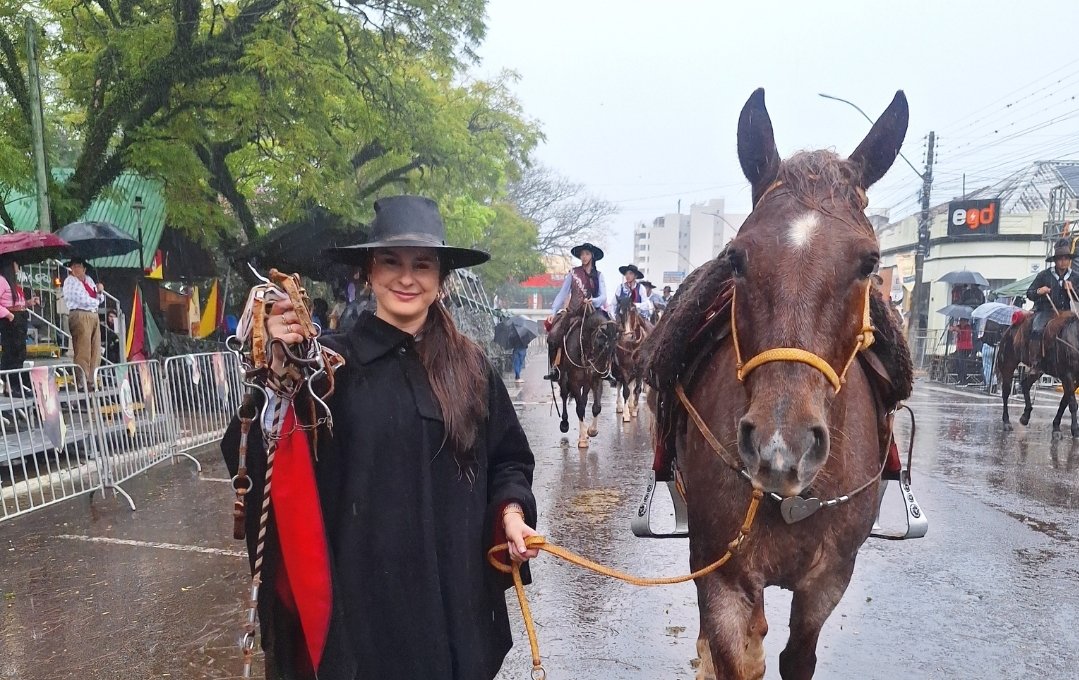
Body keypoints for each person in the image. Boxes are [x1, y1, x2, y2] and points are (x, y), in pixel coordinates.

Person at [221, 195, 538, 680]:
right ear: (369, 271)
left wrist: (511, 514)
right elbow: (264, 464)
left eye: (422, 264)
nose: (406, 277)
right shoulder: (326, 368)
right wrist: (278, 377)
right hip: (365, 618)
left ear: (441, 279)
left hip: (455, 602)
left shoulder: (472, 368)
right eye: (391, 261)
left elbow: (509, 461)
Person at [543, 242, 606, 381]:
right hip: (573, 313)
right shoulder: (573, 273)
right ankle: (555, 368)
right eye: (582, 254)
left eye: (587, 254)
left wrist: (593, 301)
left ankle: (607, 368)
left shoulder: (599, 275)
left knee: (609, 332)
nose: (584, 257)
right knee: (553, 335)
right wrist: (553, 312)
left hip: (592, 314)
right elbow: (562, 293)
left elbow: (603, 297)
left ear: (592, 256)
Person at [1026, 240, 1074, 369]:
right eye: (1060, 259)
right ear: (1055, 260)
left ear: (1069, 260)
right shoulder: (1044, 275)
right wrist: (1039, 291)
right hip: (1045, 311)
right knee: (1037, 328)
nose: (1063, 261)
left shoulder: (1075, 276)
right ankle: (1035, 362)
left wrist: (1071, 289)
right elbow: (1029, 293)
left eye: (1066, 258)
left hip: (1066, 313)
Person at [62, 257, 105, 389]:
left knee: (95, 349)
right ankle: (83, 380)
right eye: (73, 267)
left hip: (93, 314)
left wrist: (100, 291)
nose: (75, 269)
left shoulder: (89, 280)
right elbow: (82, 299)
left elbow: (100, 297)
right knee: (83, 349)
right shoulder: (70, 281)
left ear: (84, 268)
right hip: (80, 314)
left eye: (78, 266)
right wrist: (96, 300)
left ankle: (92, 378)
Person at [0, 259, 40, 395]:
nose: (18, 265)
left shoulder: (13, 283)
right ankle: (10, 385)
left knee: (20, 353)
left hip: (20, 318)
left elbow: (17, 302)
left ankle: (16, 384)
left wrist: (29, 302)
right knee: (12, 353)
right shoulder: (2, 281)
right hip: (10, 320)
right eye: (15, 262)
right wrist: (8, 314)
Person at [949, 318, 973, 385]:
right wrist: (952, 328)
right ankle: (960, 378)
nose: (961, 322)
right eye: (961, 321)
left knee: (962, 363)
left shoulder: (968, 328)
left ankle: (963, 379)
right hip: (959, 347)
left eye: (963, 321)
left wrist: (960, 331)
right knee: (958, 363)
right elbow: (954, 328)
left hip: (966, 347)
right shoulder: (959, 326)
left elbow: (966, 337)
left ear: (966, 321)